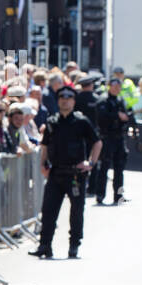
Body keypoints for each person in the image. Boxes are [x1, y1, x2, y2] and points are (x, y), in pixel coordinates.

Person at [30, 87, 101, 260]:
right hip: (56, 172)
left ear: (74, 101)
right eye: (62, 97)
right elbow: (45, 144)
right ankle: (45, 245)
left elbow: (97, 142)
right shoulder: (52, 121)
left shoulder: (81, 121)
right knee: (48, 210)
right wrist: (42, 164)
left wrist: (90, 163)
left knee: (76, 211)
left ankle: (74, 245)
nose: (65, 100)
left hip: (75, 174)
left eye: (69, 97)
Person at [92, 77, 130, 205]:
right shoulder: (103, 100)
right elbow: (101, 117)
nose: (117, 89)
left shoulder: (120, 100)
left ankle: (118, 196)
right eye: (115, 86)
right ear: (109, 86)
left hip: (119, 137)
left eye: (119, 87)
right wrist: (116, 116)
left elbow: (126, 114)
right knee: (104, 168)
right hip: (107, 137)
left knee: (119, 169)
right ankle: (100, 194)